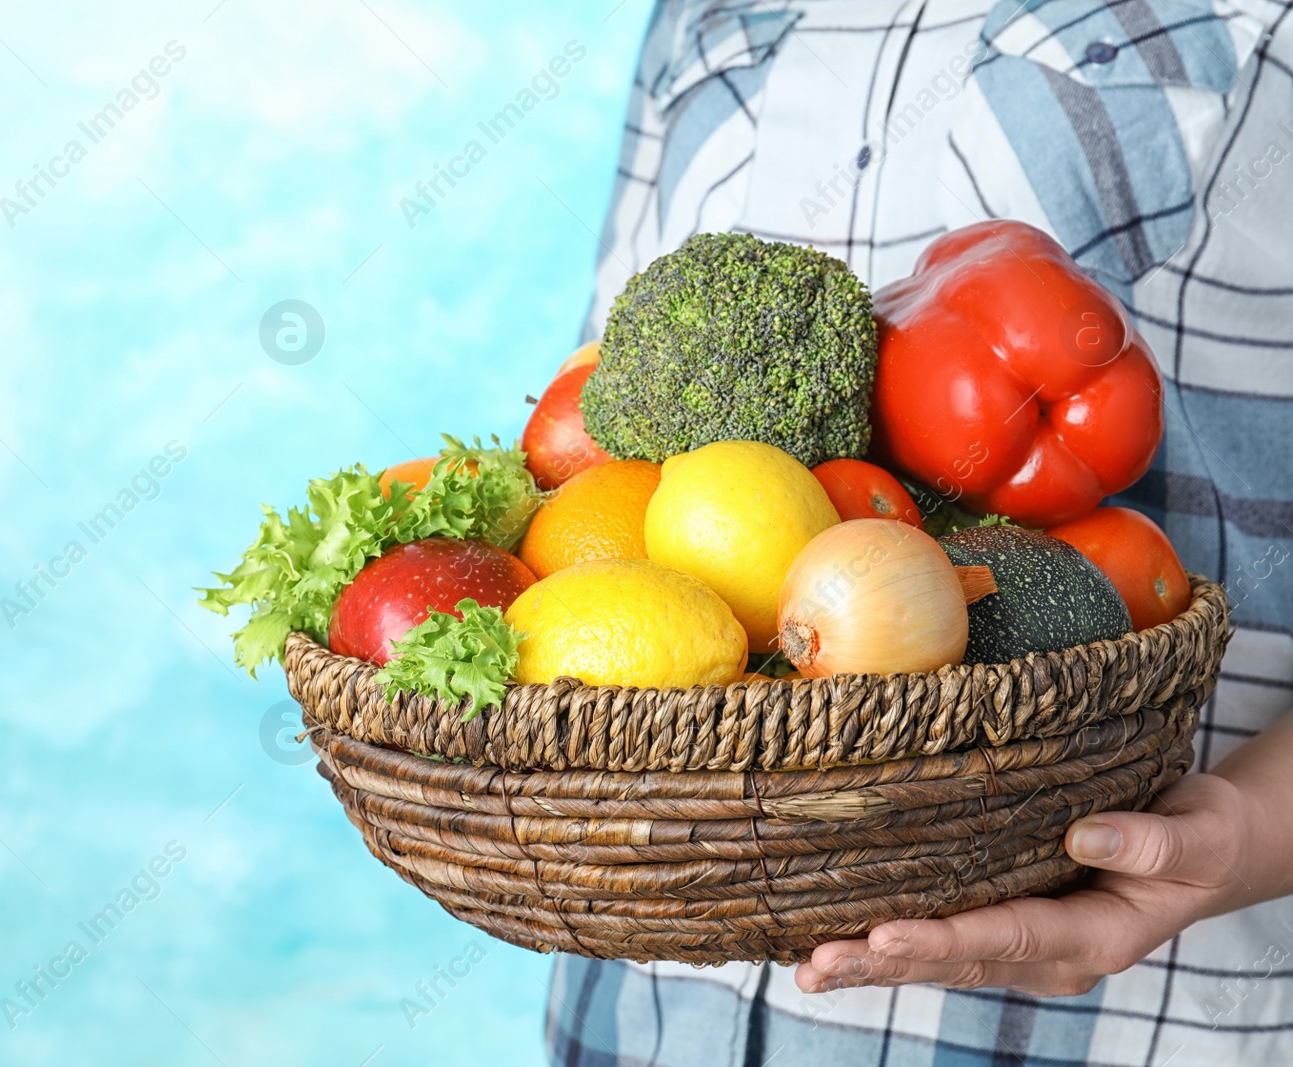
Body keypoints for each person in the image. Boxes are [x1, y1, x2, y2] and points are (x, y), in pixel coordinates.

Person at [546, 0, 1293, 1063]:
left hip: (1108, 1022)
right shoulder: (697, 20)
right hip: (644, 1020)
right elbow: (599, 421)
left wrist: (1248, 835)